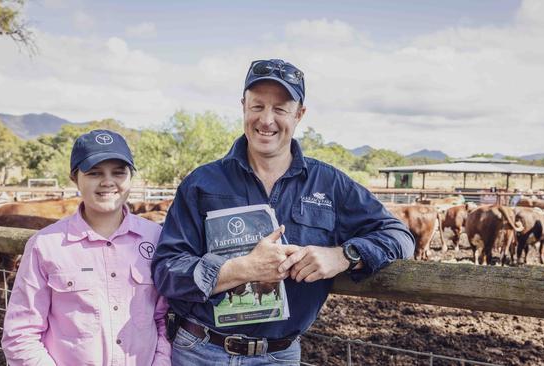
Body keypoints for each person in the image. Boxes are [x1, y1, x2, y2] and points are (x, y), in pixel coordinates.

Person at [152, 58, 415, 365]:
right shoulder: (202, 183)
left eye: (280, 108)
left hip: (278, 356)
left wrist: (343, 256)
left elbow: (399, 236)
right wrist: (242, 269)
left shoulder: (329, 184)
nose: (267, 120)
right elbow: (167, 270)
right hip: (200, 350)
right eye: (257, 106)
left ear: (299, 114)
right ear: (243, 107)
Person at [2, 130, 171, 366]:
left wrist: (161, 362)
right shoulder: (46, 245)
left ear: (131, 177)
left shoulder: (156, 238)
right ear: (75, 178)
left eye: (119, 172)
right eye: (94, 173)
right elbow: (21, 334)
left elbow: (163, 318)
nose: (108, 182)